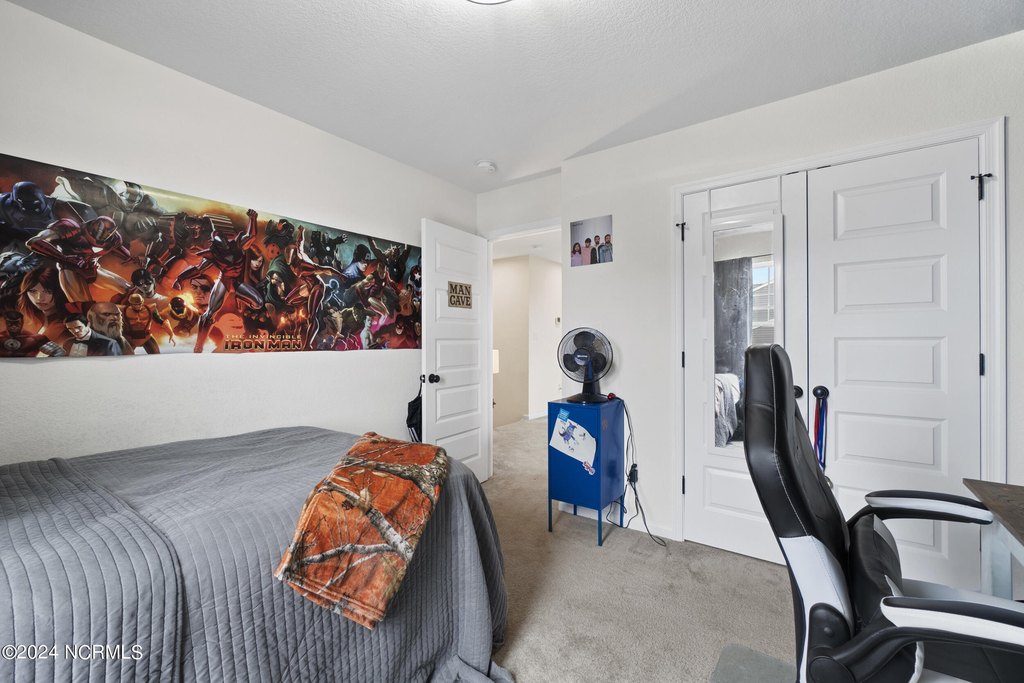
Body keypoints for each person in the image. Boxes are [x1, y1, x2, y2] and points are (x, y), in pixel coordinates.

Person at [17, 264, 70, 341]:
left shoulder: (67, 325)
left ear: (59, 291)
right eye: (33, 291)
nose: (39, 298)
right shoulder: (26, 319)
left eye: (47, 291)